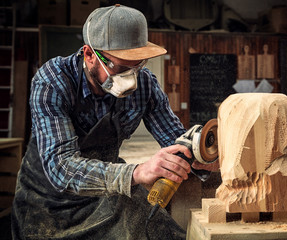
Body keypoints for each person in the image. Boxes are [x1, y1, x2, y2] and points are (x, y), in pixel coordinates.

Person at [12, 4, 214, 240]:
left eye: (138, 64)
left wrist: (199, 155)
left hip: (108, 193)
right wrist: (136, 173)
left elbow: (175, 140)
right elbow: (61, 168)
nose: (132, 75)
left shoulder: (145, 84)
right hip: (48, 201)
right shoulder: (52, 82)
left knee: (164, 234)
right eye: (122, 66)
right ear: (89, 55)